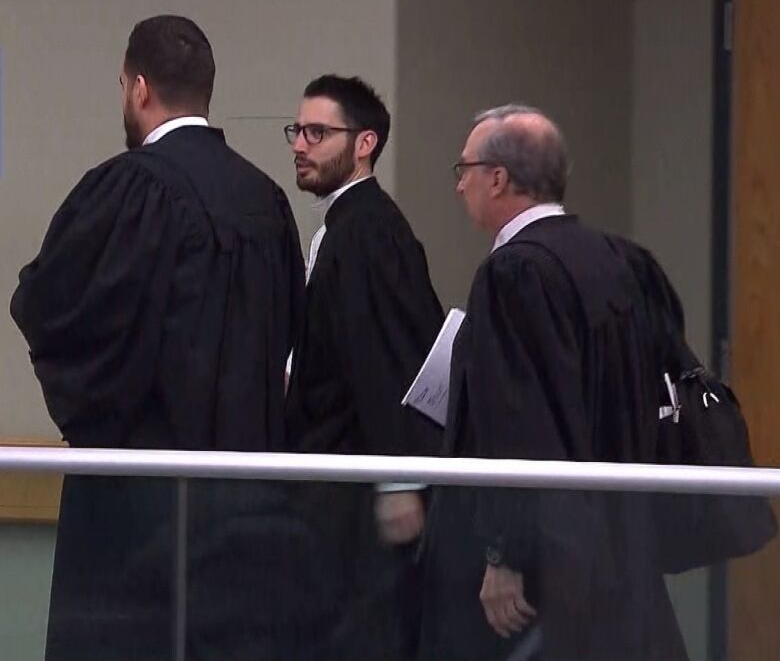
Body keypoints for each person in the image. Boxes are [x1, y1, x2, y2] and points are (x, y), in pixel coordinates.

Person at [10, 15, 306, 661]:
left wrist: (97, 409)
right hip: (245, 513)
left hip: (137, 513)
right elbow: (291, 339)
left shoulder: (131, 188)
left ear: (138, 88)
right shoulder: (266, 203)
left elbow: (50, 308)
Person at [419, 104, 689, 660]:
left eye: (464, 169)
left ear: (498, 178)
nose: (459, 185)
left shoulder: (512, 273)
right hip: (623, 537)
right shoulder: (625, 260)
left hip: (546, 561)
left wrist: (504, 555)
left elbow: (519, 423)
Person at [283, 75, 444, 660]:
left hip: (354, 491)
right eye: (297, 131)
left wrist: (398, 480)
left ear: (365, 143)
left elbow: (389, 358)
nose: (301, 144)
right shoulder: (347, 226)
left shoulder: (368, 231)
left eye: (318, 133)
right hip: (340, 483)